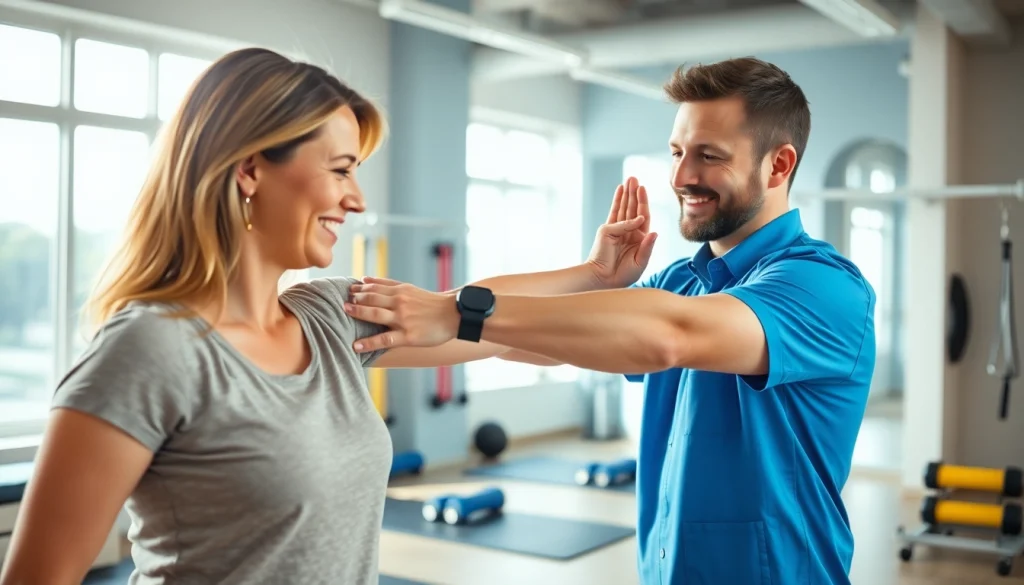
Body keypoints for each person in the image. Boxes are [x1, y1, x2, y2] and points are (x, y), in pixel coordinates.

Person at [0, 47, 655, 585]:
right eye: (340, 169)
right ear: (251, 168)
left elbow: (467, 313)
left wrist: (592, 274)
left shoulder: (326, 317)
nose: (356, 196)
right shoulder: (151, 350)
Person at [342, 57, 877, 585]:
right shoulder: (680, 282)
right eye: (676, 152)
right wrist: (592, 274)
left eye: (709, 156)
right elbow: (513, 341)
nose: (682, 176)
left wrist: (459, 311)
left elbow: (669, 335)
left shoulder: (824, 286)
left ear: (779, 165)